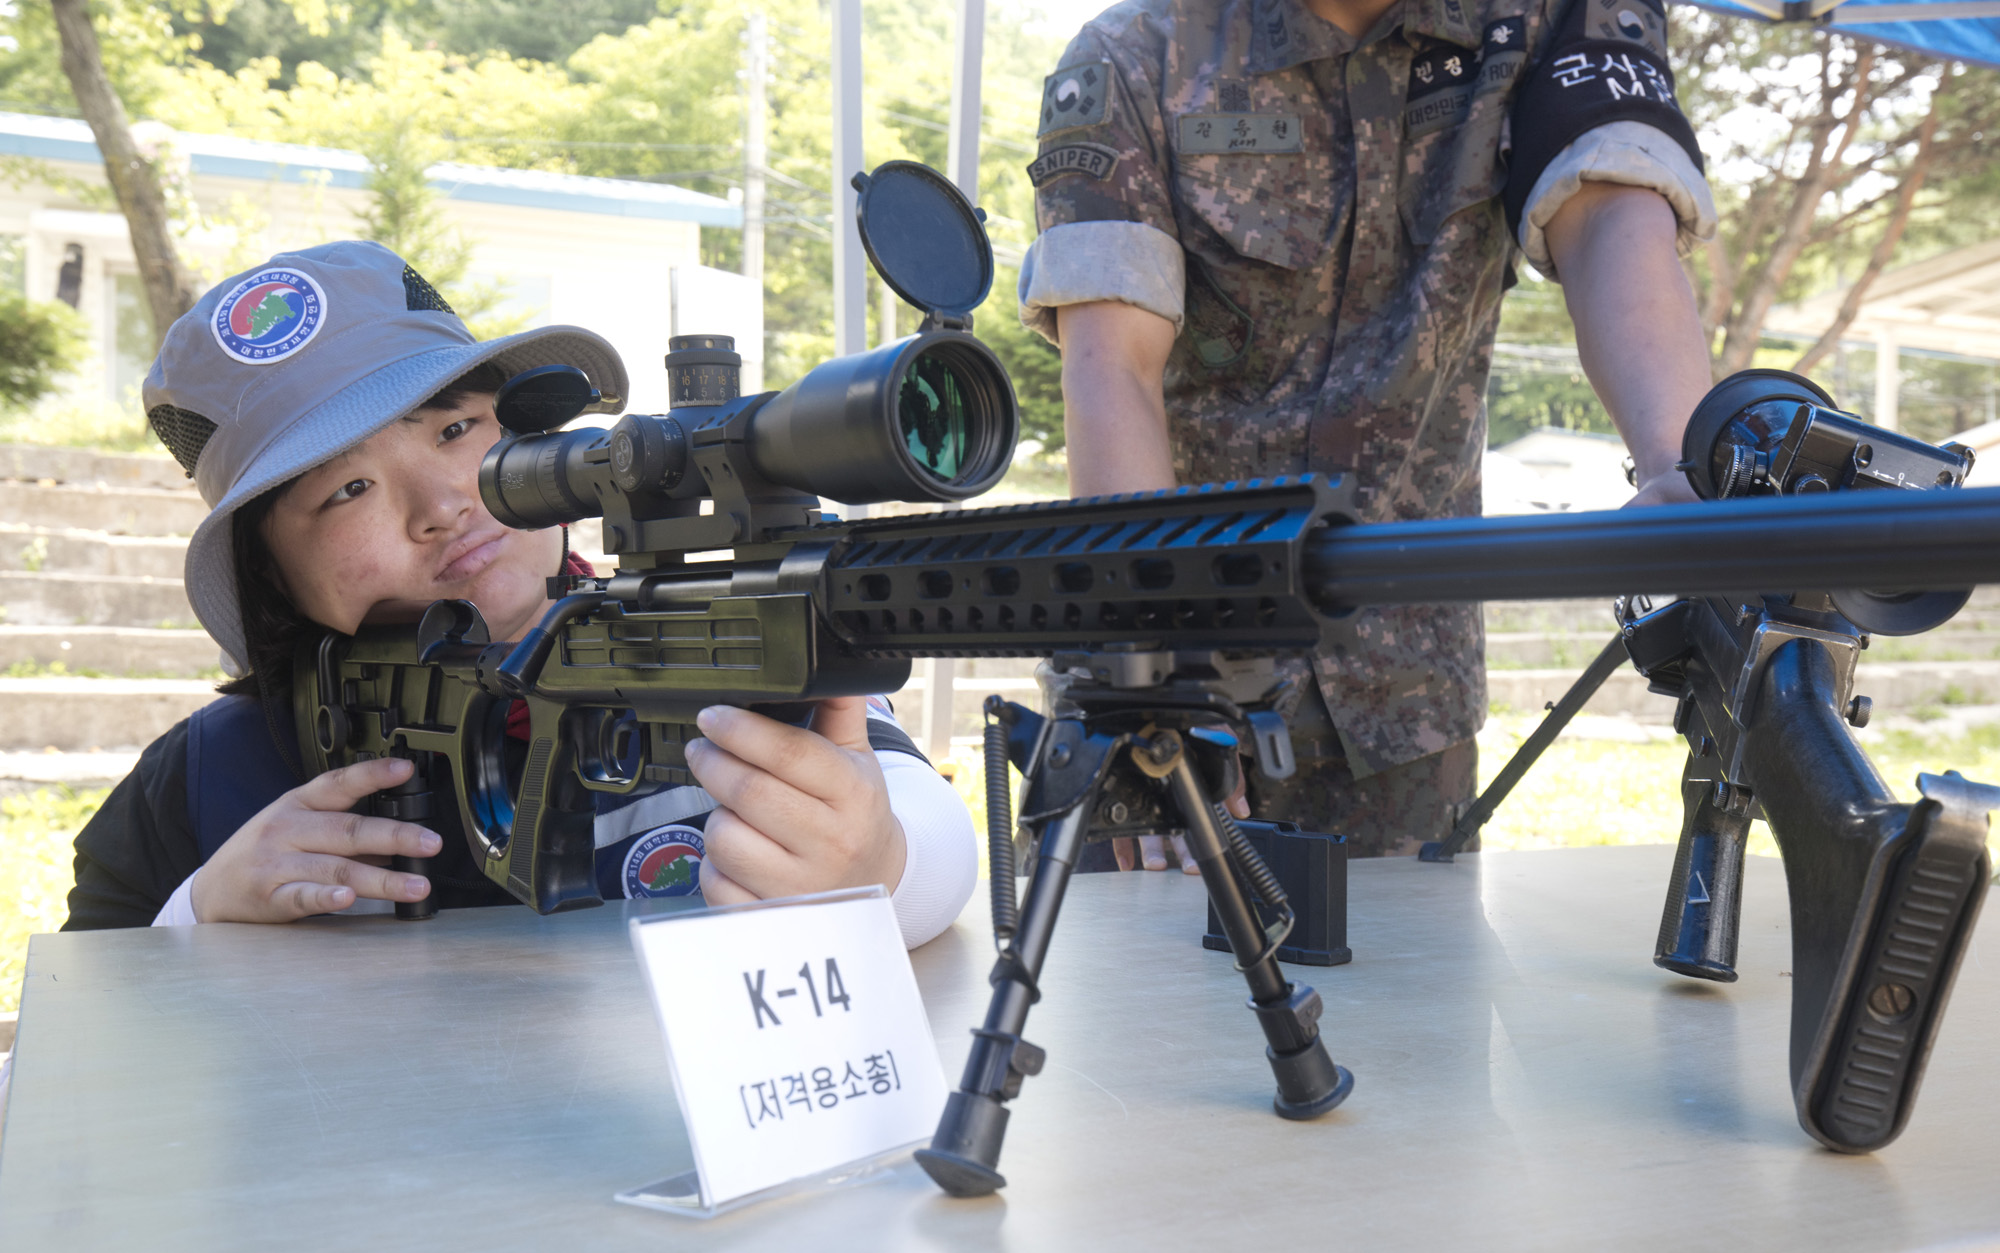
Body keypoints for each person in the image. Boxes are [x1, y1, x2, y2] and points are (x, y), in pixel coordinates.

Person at [62, 241, 977, 946]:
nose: (445, 505)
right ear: (267, 573)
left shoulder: (715, 649)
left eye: (458, 428)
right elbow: (80, 1039)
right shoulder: (214, 778)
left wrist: (874, 864)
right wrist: (199, 914)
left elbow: (925, 830)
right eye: (347, 490)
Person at [1022, 0, 1717, 864]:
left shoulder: (1544, 16)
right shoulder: (1136, 54)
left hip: (1404, 701)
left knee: (1411, 992)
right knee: (1141, 990)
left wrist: (1690, 474)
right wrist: (1151, 671)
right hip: (1169, 651)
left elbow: (1613, 217)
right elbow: (1112, 363)